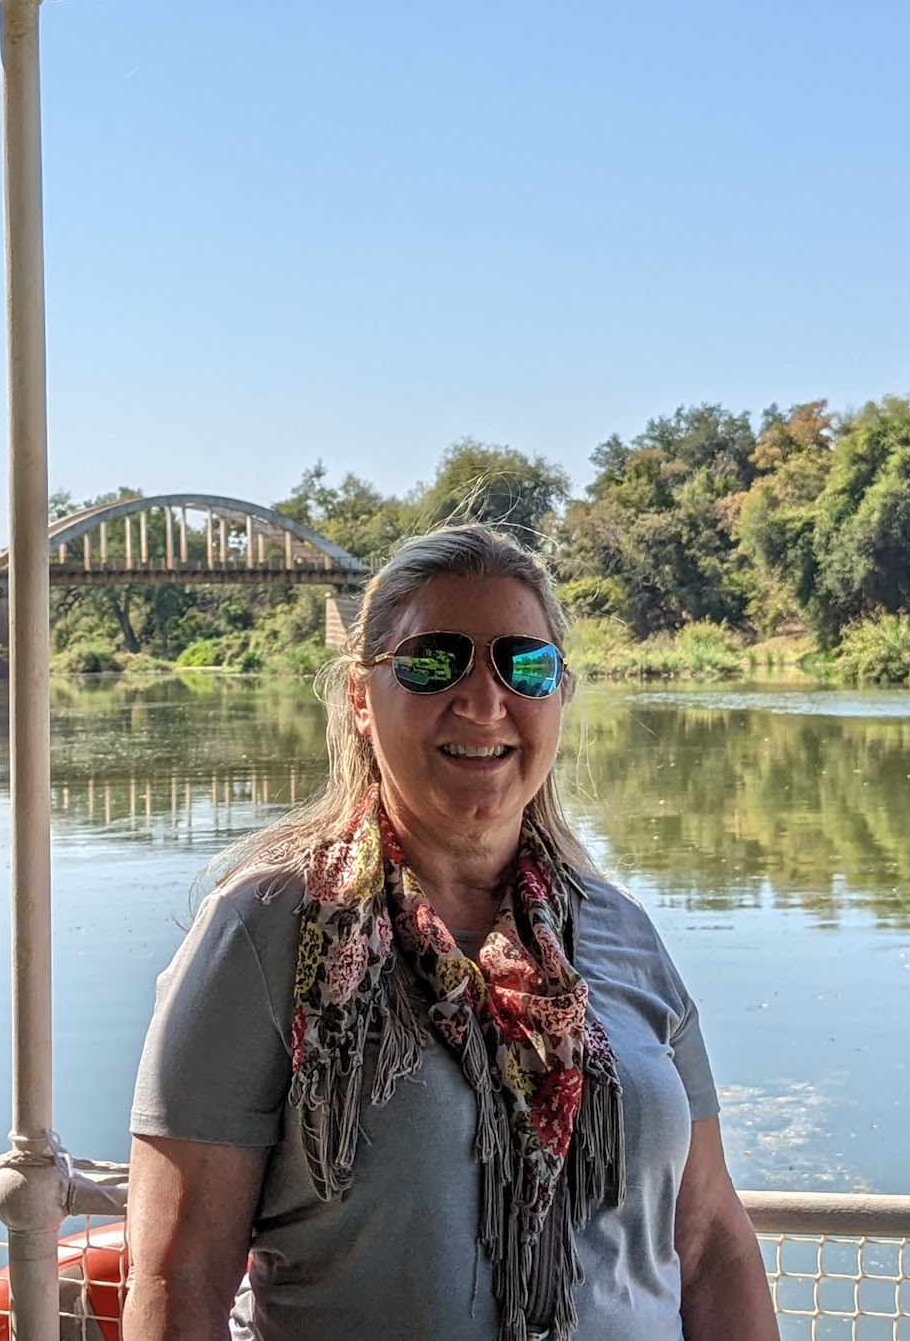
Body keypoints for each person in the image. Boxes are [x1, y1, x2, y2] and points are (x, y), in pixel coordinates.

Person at [123, 525, 776, 1341]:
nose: (482, 700)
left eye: (524, 665)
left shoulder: (623, 932)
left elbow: (713, 1242)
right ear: (362, 698)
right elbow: (175, 1279)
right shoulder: (264, 931)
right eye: (435, 661)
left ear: (559, 697)